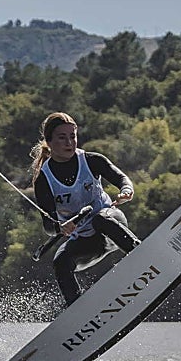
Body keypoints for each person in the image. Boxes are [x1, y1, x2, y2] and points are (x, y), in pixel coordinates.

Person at [30, 112, 140, 306]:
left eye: (72, 136)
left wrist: (126, 190)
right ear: (49, 141)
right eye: (62, 138)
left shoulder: (91, 160)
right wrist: (60, 227)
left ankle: (142, 256)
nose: (69, 142)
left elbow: (122, 179)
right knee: (61, 262)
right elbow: (48, 224)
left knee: (100, 219)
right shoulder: (43, 179)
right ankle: (77, 311)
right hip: (88, 241)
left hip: (112, 224)